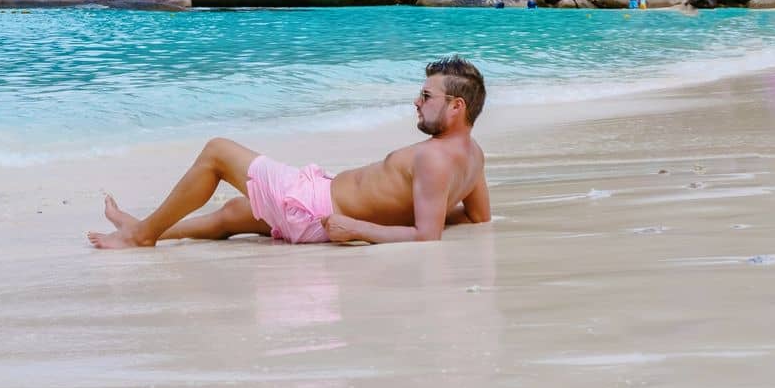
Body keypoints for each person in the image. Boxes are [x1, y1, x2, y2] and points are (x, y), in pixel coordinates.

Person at [88, 57, 491, 249]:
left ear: (457, 107)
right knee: (231, 217)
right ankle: (144, 227)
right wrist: (420, 209)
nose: (415, 102)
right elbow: (476, 216)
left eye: (426, 96)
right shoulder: (473, 157)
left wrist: (358, 228)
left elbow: (427, 235)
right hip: (319, 204)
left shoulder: (433, 158)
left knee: (217, 152)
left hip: (317, 207)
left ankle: (141, 235)